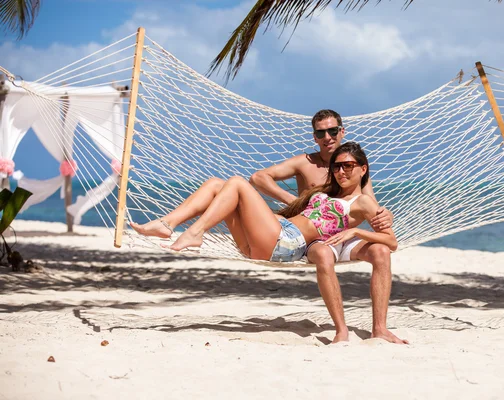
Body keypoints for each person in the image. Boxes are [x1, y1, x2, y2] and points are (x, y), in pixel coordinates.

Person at [250, 109, 407, 344]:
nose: (328, 137)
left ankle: (379, 328)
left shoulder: (351, 166)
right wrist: (295, 203)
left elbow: (370, 204)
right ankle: (341, 330)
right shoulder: (306, 163)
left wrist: (386, 215)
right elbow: (259, 178)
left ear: (342, 132)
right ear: (314, 136)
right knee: (323, 254)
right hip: (314, 236)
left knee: (381, 251)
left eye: (333, 131)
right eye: (321, 132)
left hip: (345, 234)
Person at [131, 142, 399, 270]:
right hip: (265, 240)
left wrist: (357, 232)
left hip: (287, 244)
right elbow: (261, 179)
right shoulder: (330, 192)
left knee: (236, 183)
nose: (341, 171)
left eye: (348, 166)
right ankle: (167, 225)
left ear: (363, 169)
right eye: (337, 166)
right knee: (215, 184)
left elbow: (391, 241)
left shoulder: (363, 201)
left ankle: (195, 233)